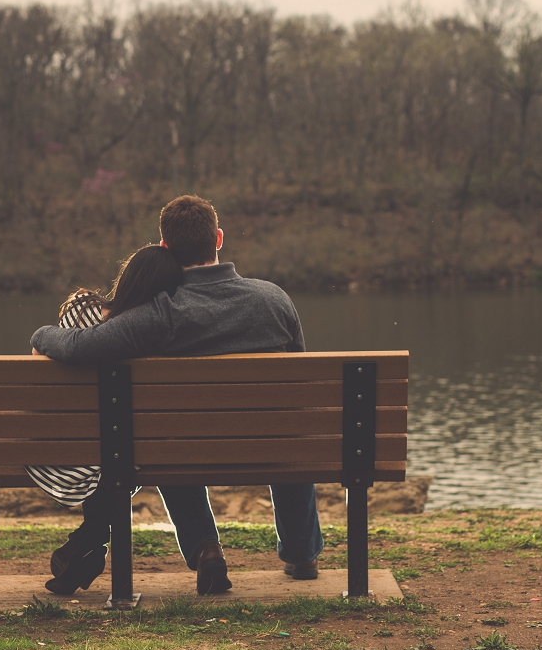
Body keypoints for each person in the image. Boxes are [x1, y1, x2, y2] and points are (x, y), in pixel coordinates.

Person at [31, 194, 322, 595]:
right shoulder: (274, 299)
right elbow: (300, 385)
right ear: (217, 239)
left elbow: (81, 347)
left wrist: (42, 335)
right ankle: (302, 554)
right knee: (288, 428)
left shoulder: (159, 313)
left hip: (189, 451)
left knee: (168, 439)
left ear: (165, 247)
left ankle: (206, 548)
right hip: (271, 442)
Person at [28, 244, 185, 595]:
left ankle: (91, 540)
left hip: (63, 448)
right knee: (114, 448)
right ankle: (89, 539)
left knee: (102, 443)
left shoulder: (80, 310)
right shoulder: (157, 329)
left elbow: (44, 355)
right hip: (131, 452)